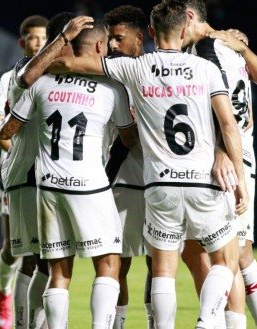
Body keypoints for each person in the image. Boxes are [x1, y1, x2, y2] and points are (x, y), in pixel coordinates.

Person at [39, 2, 249, 328]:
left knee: (164, 269)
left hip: (159, 185)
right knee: (226, 259)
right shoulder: (205, 69)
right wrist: (239, 180)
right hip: (202, 180)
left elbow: (64, 64)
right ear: (184, 29)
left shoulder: (136, 68)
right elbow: (229, 124)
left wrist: (52, 52)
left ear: (150, 32)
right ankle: (207, 321)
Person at [0, 20, 138, 329]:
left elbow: (7, 129)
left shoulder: (42, 83)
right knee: (109, 263)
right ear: (100, 48)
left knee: (58, 272)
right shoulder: (112, 87)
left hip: (46, 186)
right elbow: (129, 138)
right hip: (88, 184)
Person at [177, 1, 257, 327]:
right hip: (244, 155)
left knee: (226, 254)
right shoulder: (227, 45)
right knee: (234, 253)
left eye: (179, 22)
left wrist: (220, 149)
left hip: (225, 158)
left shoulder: (202, 50)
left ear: (189, 17)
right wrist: (243, 50)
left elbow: (220, 108)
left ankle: (218, 322)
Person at [0, 14, 47, 329]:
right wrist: (21, 155)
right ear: (22, 41)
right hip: (15, 173)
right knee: (14, 248)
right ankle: (4, 293)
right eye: (32, 37)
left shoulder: (54, 77)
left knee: (48, 249)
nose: (38, 43)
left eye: (43, 37)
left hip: (50, 176)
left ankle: (42, 315)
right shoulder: (8, 78)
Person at [102, 5, 151, 329]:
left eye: (119, 38)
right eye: (110, 40)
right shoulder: (106, 74)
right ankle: (117, 324)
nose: (113, 46)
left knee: (159, 262)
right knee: (118, 263)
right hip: (121, 183)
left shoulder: (154, 71)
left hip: (159, 181)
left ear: (140, 36)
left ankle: (154, 322)